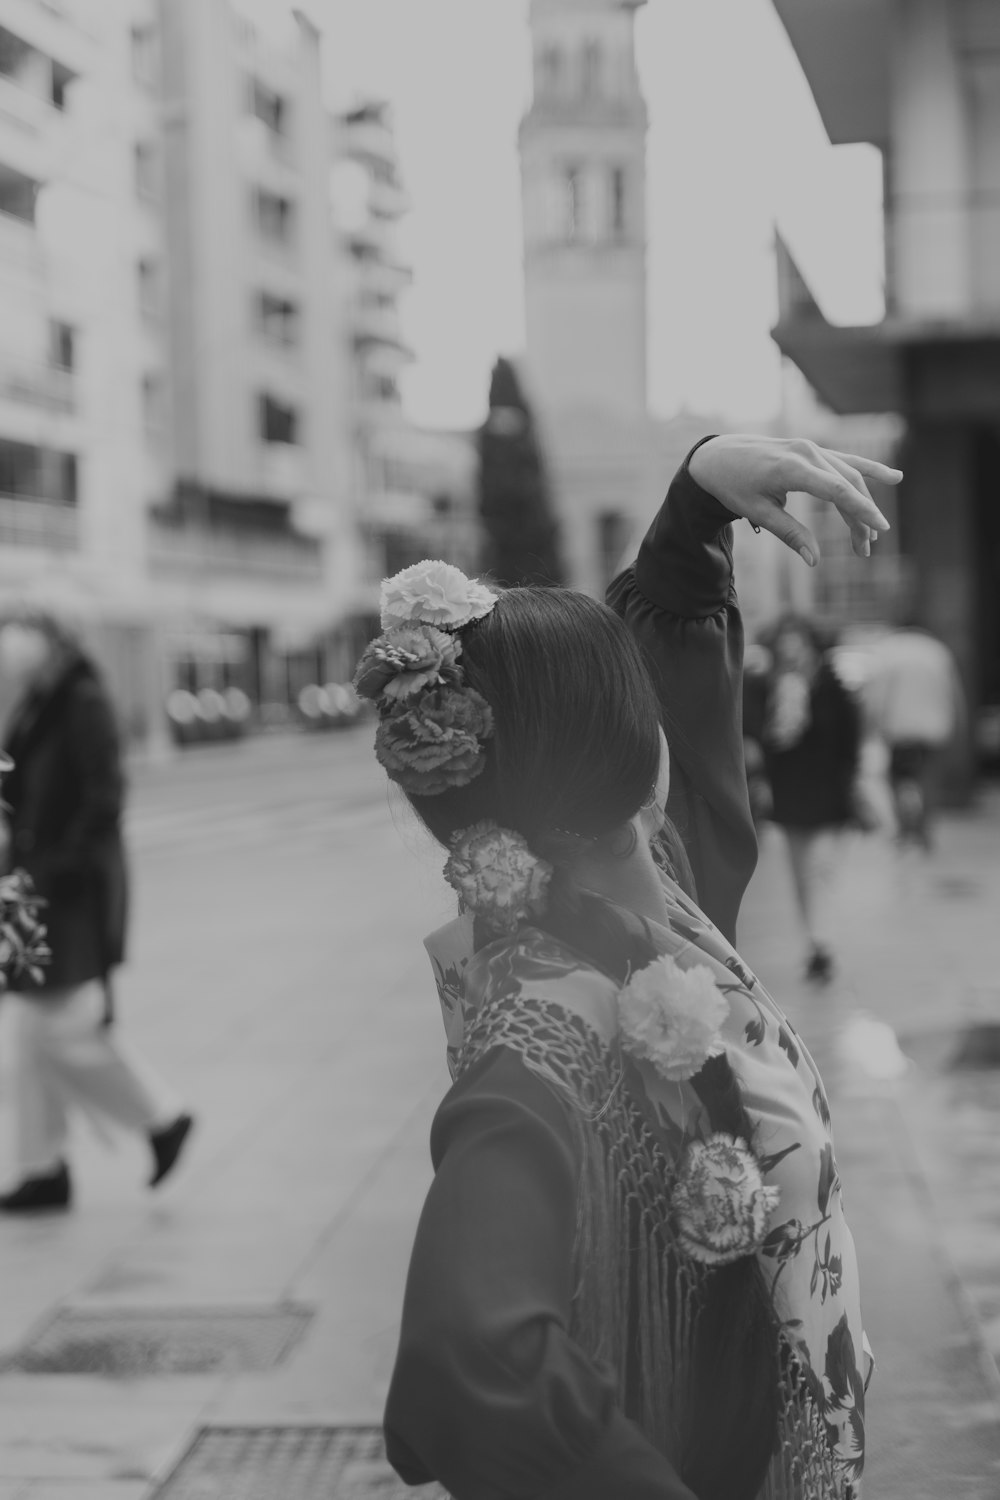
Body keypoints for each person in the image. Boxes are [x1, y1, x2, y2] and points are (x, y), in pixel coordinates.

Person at [356, 435, 898, 1500]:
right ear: (630, 746)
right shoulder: (540, 1038)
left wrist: (696, 501)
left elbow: (686, 694)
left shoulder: (660, 903)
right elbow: (471, 1362)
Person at [0, 610, 194, 1214]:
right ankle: (44, 1168)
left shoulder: (80, 700)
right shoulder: (37, 700)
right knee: (33, 1032)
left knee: (57, 1027)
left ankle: (160, 1117)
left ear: (49, 642)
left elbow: (104, 796)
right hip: (31, 887)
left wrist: (56, 865)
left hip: (66, 889)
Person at [748, 614, 862, 985]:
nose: (790, 647)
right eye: (784, 639)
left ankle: (821, 943)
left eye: (796, 638)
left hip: (828, 792)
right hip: (790, 792)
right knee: (799, 874)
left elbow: (850, 739)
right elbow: (756, 737)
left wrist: (852, 781)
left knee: (819, 870)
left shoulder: (831, 684)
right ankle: (814, 945)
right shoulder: (766, 686)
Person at [863, 615, 964, 850]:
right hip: (934, 727)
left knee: (898, 778)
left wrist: (872, 725)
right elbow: (954, 693)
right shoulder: (937, 651)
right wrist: (957, 724)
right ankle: (924, 826)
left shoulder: (889, 650)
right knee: (928, 778)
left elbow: (876, 695)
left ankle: (903, 826)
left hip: (899, 728)